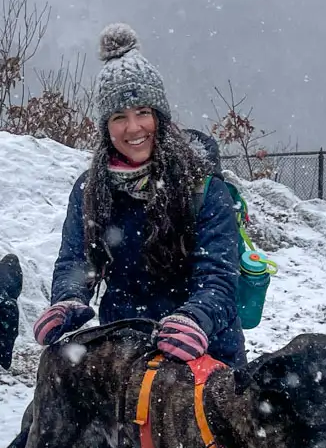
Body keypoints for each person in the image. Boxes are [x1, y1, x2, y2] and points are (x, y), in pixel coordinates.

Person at [34, 24, 243, 366]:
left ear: (159, 116)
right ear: (105, 127)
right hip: (126, 352)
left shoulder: (202, 187)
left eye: (143, 113)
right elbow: (77, 260)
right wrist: (69, 300)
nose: (133, 128)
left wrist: (195, 319)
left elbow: (218, 276)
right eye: (119, 117)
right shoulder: (91, 189)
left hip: (207, 356)